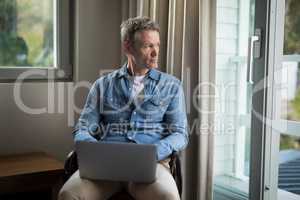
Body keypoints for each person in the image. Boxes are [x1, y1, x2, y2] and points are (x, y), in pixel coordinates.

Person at [59, 16, 188, 200]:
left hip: (152, 166)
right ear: (128, 47)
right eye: (147, 46)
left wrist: (154, 152)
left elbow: (180, 134)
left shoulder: (172, 86)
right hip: (105, 167)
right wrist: (96, 151)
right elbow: (83, 128)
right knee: (68, 194)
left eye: (157, 45)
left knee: (169, 197)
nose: (155, 52)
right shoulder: (102, 85)